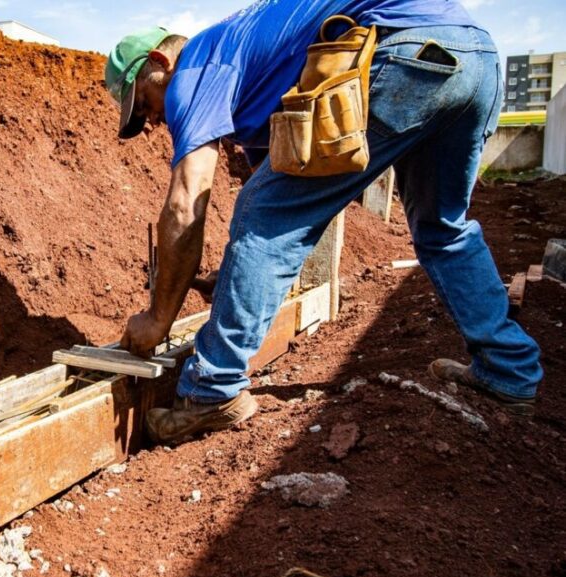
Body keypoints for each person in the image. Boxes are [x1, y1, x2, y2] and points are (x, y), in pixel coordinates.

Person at [105, 1, 543, 445]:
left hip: (405, 51)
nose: (149, 124)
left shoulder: (195, 67)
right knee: (443, 228)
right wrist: (236, 279)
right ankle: (508, 371)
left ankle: (210, 389)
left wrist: (158, 318)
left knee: (261, 215)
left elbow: (188, 205)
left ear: (160, 63)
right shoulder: (247, 72)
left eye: (143, 104)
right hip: (477, 57)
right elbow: (283, 200)